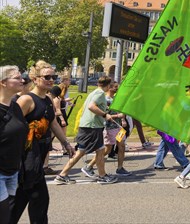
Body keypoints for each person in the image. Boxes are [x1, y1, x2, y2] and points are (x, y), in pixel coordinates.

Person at [12, 61, 75, 224]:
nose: (51, 80)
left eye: (53, 77)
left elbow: (53, 122)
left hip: (39, 154)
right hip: (27, 158)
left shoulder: (47, 99)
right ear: (35, 78)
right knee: (34, 199)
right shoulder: (26, 100)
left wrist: (66, 143)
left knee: (29, 199)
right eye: (47, 77)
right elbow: (12, 127)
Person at [54, 76, 117, 185]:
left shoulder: (94, 92)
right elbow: (91, 106)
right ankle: (63, 175)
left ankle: (101, 174)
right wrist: (105, 114)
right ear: (108, 85)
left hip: (90, 126)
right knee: (85, 151)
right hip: (92, 127)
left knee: (98, 150)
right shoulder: (100, 93)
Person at [83, 81, 131, 177]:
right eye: (115, 87)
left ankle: (120, 168)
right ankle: (89, 166)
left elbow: (122, 110)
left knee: (122, 146)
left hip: (119, 127)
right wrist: (117, 115)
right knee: (107, 149)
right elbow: (104, 114)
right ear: (110, 88)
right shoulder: (105, 99)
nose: (117, 88)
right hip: (109, 127)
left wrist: (123, 119)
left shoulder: (117, 98)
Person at [0, 66, 28, 223]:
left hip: (13, 172)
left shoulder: (15, 106)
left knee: (9, 216)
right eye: (17, 78)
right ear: (3, 82)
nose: (22, 80)